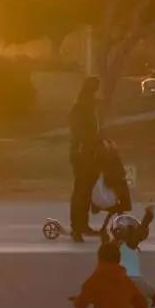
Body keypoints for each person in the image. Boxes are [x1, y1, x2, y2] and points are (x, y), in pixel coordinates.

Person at [67, 77, 104, 244]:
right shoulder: (79, 108)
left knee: (87, 191)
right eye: (95, 90)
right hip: (81, 154)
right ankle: (76, 227)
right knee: (80, 191)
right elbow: (79, 132)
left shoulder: (89, 107)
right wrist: (91, 141)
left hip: (90, 154)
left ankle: (83, 224)